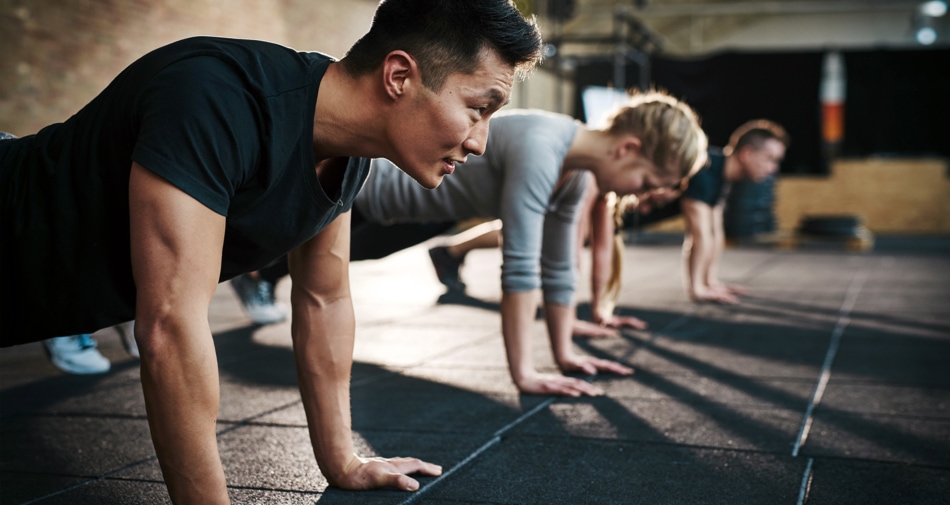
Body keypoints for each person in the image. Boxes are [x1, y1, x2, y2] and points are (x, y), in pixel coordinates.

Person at [0, 1, 543, 502]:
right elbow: (168, 324)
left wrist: (342, 461)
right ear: (398, 76)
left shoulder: (347, 154)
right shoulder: (217, 96)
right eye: (478, 109)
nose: (480, 142)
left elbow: (324, 300)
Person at [350, 90, 709, 398]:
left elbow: (560, 266)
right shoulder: (542, 144)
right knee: (297, 264)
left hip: (411, 220)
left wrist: (564, 354)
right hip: (359, 200)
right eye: (646, 181)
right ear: (628, 148)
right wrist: (525, 375)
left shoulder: (579, 174)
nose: (640, 194)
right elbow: (520, 265)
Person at [588, 119, 790, 306]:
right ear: (746, 154)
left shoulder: (721, 174)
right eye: (770, 159)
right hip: (618, 203)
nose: (773, 168)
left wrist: (710, 282)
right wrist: (697, 288)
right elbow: (699, 234)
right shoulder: (705, 168)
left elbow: (715, 233)